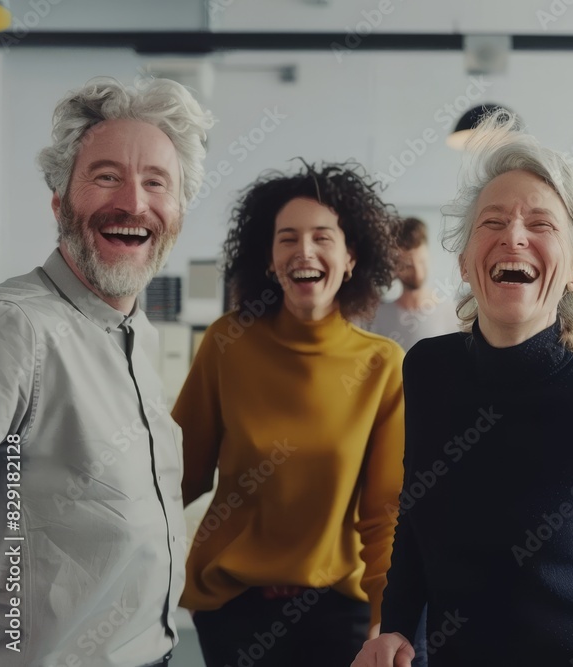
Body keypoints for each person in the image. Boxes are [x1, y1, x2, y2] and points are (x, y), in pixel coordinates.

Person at [353, 112, 573, 667]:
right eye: (492, 222)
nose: (513, 234)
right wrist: (395, 629)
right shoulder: (427, 370)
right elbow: (415, 520)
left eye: (541, 224)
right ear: (467, 262)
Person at [0, 77, 214, 666]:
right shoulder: (15, 326)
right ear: (60, 201)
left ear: (178, 211)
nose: (134, 203)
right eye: (107, 176)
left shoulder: (135, 333)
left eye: (156, 183)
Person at [172, 162, 406, 667]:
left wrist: (385, 622)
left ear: (350, 258)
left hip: (338, 612)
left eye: (322, 237)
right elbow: (178, 479)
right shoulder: (226, 344)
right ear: (269, 259)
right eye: (287, 239)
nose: (304, 251)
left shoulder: (381, 365)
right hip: (231, 607)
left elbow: (383, 514)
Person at [369, 217, 458, 351]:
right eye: (408, 265)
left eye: (422, 261)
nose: (418, 272)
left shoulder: (452, 314)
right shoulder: (378, 317)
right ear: (393, 266)